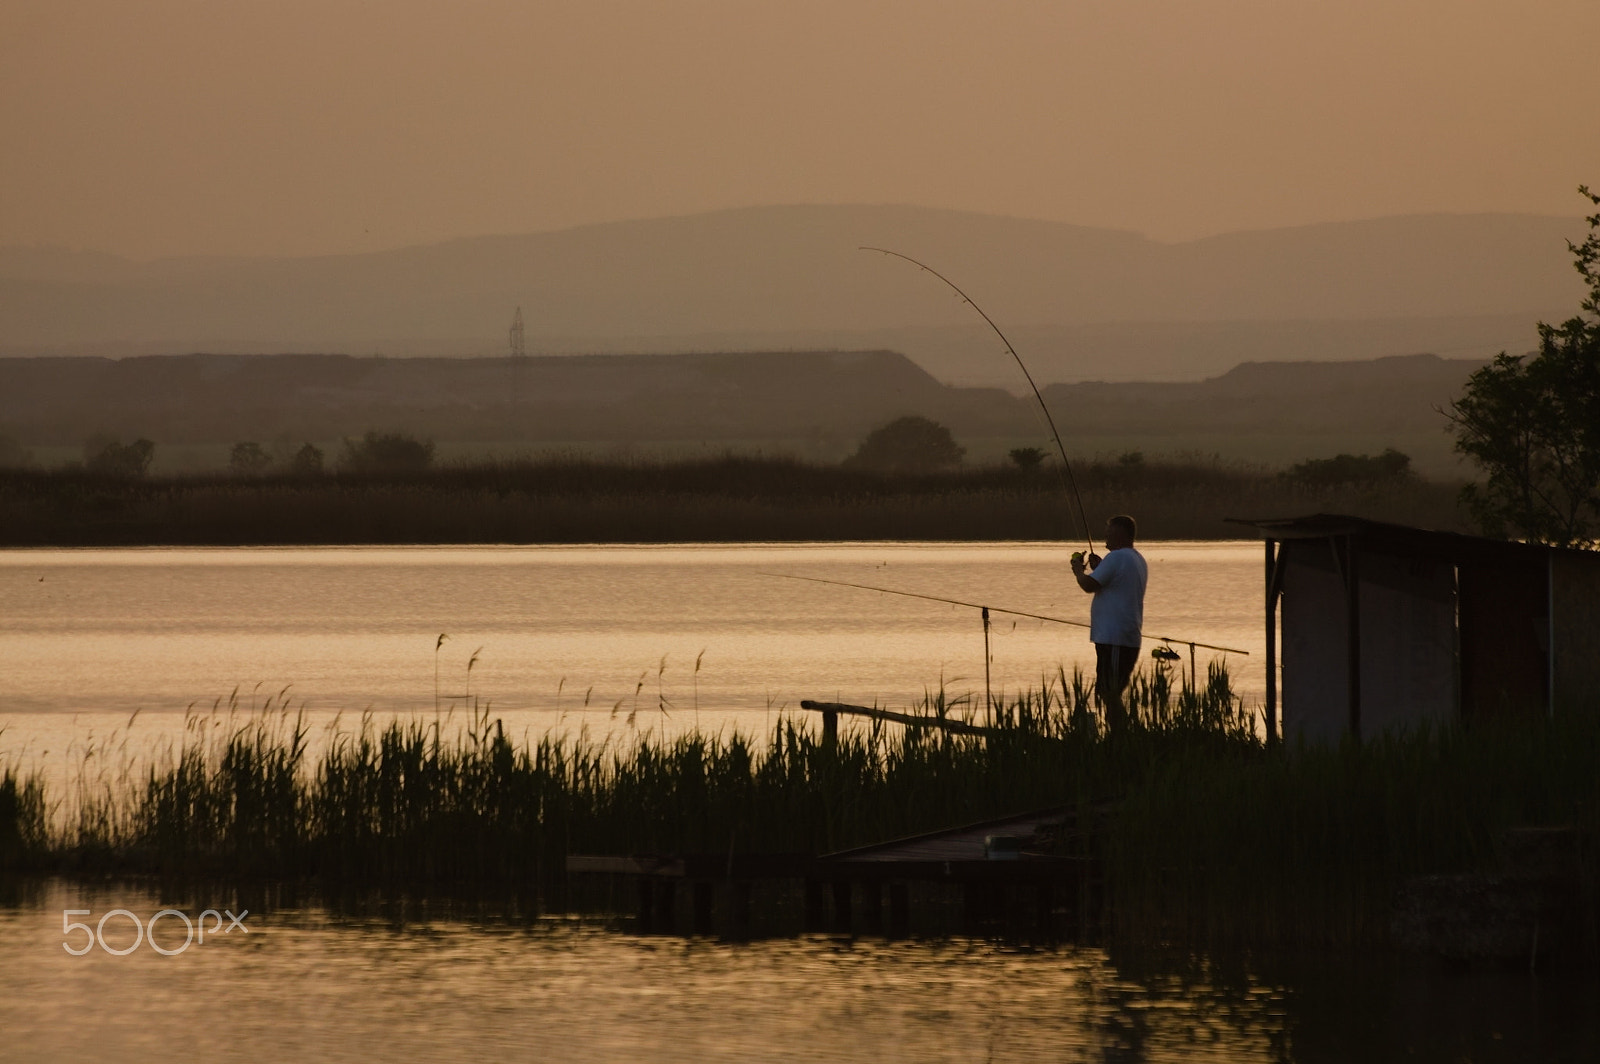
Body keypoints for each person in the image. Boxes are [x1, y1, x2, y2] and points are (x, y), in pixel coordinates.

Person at [1069, 515, 1148, 726]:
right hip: (1123, 637)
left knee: (1109, 692)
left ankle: (1121, 738)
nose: (1105, 534)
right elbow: (1115, 582)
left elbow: (1088, 585)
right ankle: (1121, 738)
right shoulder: (1135, 558)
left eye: (1109, 530)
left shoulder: (1118, 557)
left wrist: (1078, 570)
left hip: (1115, 639)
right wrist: (1101, 568)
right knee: (1108, 692)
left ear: (1121, 533)